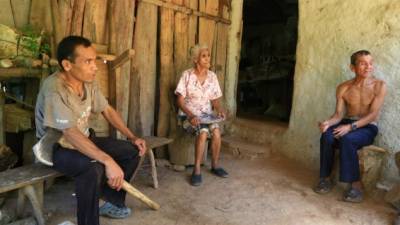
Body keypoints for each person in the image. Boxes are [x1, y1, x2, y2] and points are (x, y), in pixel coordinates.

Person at [35, 36, 146, 225]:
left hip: (83, 139)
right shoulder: (55, 88)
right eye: (87, 61)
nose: (95, 66)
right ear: (67, 65)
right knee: (92, 168)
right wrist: (107, 160)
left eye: (94, 60)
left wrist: (132, 136)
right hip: (55, 147)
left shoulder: (89, 81)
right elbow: (69, 133)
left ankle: (109, 201)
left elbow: (107, 110)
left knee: (131, 151)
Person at [314, 50, 386, 202]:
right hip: (346, 122)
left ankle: (356, 185)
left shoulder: (379, 86)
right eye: (363, 63)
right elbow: (338, 116)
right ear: (352, 67)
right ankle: (325, 178)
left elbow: (372, 115)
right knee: (326, 136)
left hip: (367, 126)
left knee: (348, 139)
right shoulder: (343, 87)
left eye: (371, 63)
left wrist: (350, 128)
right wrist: (328, 123)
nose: (368, 67)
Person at [175, 44, 228, 186]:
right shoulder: (186, 75)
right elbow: (179, 100)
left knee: (216, 131)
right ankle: (197, 169)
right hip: (188, 116)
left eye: (208, 55)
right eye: (204, 56)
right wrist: (191, 115)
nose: (207, 58)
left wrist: (219, 109)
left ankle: (215, 165)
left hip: (206, 116)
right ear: (195, 59)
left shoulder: (212, 76)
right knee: (203, 132)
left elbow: (214, 99)